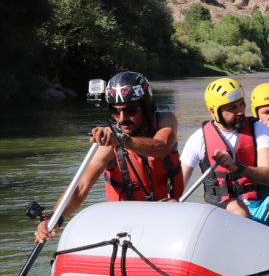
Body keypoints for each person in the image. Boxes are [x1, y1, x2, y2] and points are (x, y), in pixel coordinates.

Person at [35, 71, 183, 242]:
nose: (122, 119)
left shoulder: (165, 121)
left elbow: (162, 147)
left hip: (168, 219)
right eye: (115, 110)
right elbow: (81, 186)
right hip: (126, 227)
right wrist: (52, 218)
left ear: (146, 107)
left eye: (131, 110)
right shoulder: (108, 144)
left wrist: (122, 140)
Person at [180, 77, 269, 236]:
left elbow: (268, 175)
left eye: (242, 104)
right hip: (222, 211)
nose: (240, 111)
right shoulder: (198, 139)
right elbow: (178, 186)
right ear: (213, 111)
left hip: (261, 205)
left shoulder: (258, 129)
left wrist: (237, 167)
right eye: (232, 108)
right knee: (238, 210)